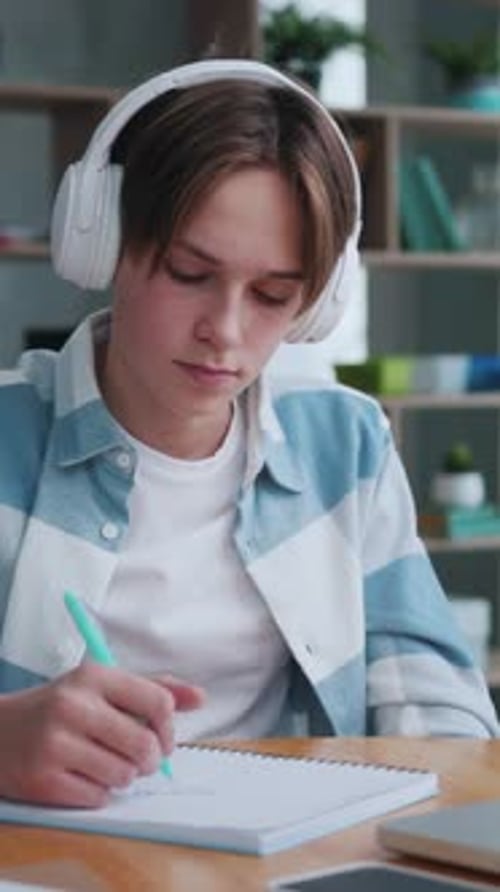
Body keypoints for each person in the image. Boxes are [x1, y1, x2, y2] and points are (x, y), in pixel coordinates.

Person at [0, 59, 497, 809]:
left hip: (288, 855)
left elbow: (439, 708)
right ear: (103, 241)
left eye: (272, 295)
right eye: (188, 272)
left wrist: (442, 796)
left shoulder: (345, 446)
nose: (225, 332)